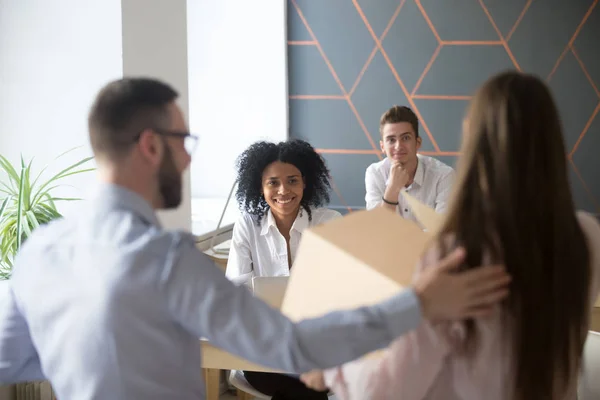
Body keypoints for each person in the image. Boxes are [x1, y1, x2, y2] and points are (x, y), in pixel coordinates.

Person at [0, 78, 511, 400]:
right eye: (184, 142)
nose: (189, 158)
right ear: (151, 146)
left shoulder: (38, 253)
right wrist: (418, 305)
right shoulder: (164, 262)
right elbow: (291, 344)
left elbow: (11, 360)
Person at [301, 71, 600, 400]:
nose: (397, 146)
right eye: (390, 139)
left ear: (473, 138)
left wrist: (332, 363)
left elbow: (382, 392)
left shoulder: (456, 254)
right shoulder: (587, 236)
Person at [226, 139, 341, 399]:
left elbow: (340, 289)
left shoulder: (329, 222)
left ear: (305, 182)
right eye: (273, 182)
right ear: (260, 186)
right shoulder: (247, 225)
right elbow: (235, 288)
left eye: (292, 180)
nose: (283, 190)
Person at [365, 105, 454, 223]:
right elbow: (376, 228)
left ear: (418, 143)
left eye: (405, 138)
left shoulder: (444, 175)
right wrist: (392, 188)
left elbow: (443, 230)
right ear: (382, 147)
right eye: (391, 140)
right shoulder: (375, 173)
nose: (398, 146)